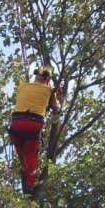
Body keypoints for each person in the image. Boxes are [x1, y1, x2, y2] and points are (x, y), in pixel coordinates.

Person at [9, 65, 61, 195]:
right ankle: (30, 185)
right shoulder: (49, 91)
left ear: (36, 75)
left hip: (16, 123)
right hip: (33, 124)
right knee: (31, 154)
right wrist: (55, 97)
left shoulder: (22, 86)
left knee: (21, 148)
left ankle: (24, 169)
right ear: (48, 79)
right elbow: (56, 108)